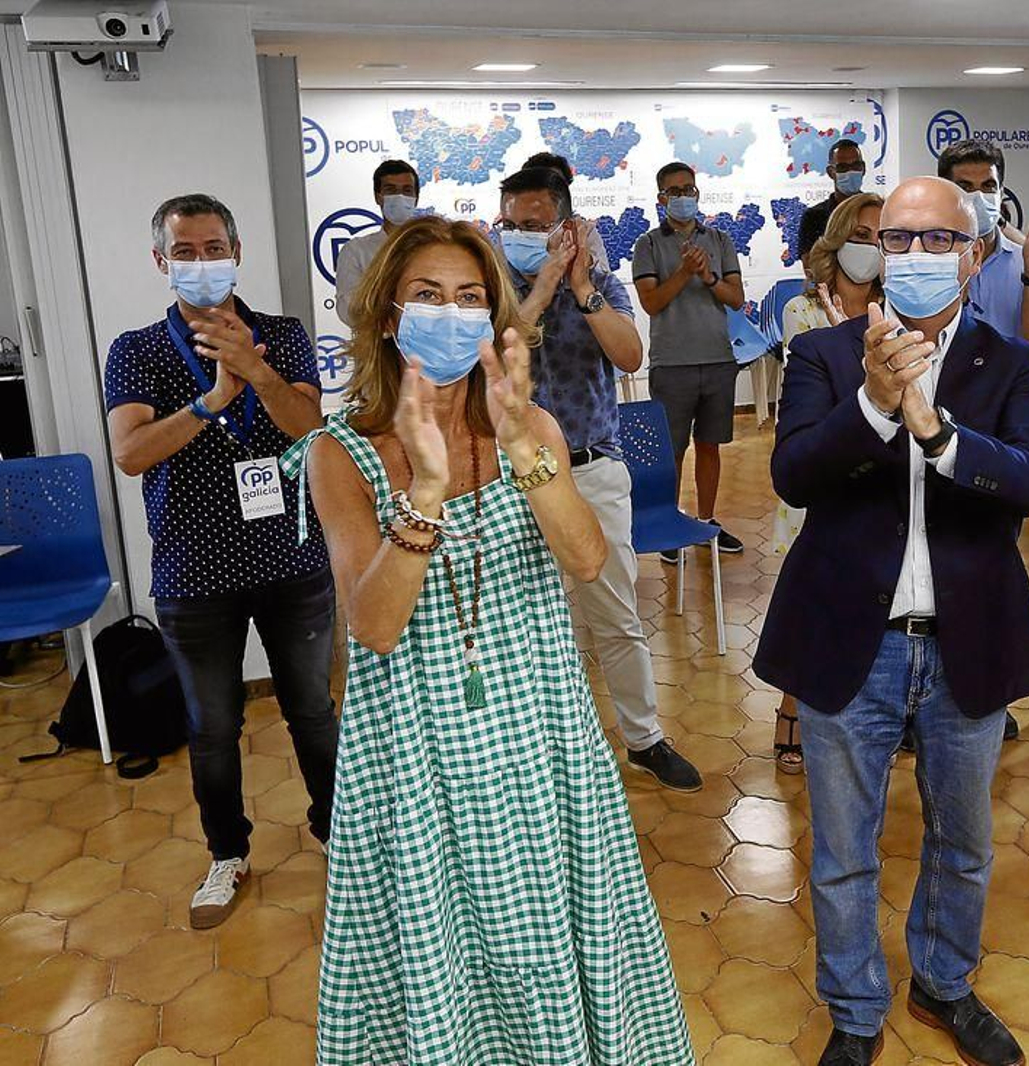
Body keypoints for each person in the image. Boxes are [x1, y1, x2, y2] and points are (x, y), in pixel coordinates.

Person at [287, 215, 694, 1064]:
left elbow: (586, 561)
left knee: (551, 941)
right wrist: (425, 492)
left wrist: (522, 448)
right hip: (419, 748)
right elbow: (373, 625)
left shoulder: (531, 429)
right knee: (446, 959)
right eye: (428, 296)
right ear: (390, 318)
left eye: (470, 298)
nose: (452, 313)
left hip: (539, 731)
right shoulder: (339, 452)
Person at [754, 176, 1029, 1066]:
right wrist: (877, 406)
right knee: (843, 850)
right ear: (871, 251)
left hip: (969, 640)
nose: (915, 257)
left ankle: (944, 983)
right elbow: (794, 476)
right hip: (853, 638)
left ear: (976, 254)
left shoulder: (1012, 364)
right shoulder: (827, 353)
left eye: (937, 241)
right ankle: (854, 1010)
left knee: (962, 842)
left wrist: (937, 431)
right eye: (897, 240)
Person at [105, 194, 335, 930]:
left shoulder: (282, 335)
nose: (202, 262)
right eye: (186, 251)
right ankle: (226, 853)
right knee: (211, 726)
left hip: (291, 558)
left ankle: (338, 833)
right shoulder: (136, 350)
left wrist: (256, 376)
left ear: (238, 250)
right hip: (192, 571)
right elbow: (131, 453)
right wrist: (210, 402)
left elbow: (311, 433)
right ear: (160, 261)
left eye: (214, 247)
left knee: (312, 710)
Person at [496, 165, 702, 791]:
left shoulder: (600, 281)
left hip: (592, 470)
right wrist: (543, 283)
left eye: (534, 225)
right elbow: (503, 353)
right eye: (511, 225)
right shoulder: (491, 288)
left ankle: (644, 738)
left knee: (614, 614)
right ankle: (540, 752)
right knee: (523, 622)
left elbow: (630, 354)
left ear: (564, 226)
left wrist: (578, 285)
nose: (521, 235)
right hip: (510, 481)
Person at [770, 191, 885, 774]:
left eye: (880, 236)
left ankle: (872, 710)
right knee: (811, 601)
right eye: (860, 235)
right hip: (818, 477)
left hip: (878, 482)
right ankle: (792, 707)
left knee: (867, 600)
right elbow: (819, 404)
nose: (871, 248)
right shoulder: (804, 310)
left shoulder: (897, 312)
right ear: (837, 241)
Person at [631, 161, 746, 556]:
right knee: (673, 449)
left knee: (710, 445)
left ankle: (707, 520)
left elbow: (736, 298)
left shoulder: (719, 239)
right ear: (661, 198)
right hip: (671, 363)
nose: (684, 197)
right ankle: (670, 521)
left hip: (717, 359)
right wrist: (684, 272)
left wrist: (709, 277)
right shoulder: (647, 244)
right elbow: (651, 303)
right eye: (675, 191)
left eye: (689, 189)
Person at [936, 138, 1029, 358]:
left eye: (988, 186)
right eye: (965, 187)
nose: (978, 197)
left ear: (1001, 193)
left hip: (1013, 389)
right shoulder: (930, 262)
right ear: (945, 192)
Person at [335, 159, 421, 326]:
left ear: (416, 198)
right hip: (377, 346)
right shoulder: (356, 251)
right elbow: (348, 310)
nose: (400, 197)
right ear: (378, 196)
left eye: (407, 190)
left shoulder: (434, 249)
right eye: (391, 190)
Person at [515, 151, 610, 265]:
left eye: (556, 186)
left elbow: (606, 279)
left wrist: (583, 259)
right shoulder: (511, 235)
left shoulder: (583, 232)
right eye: (539, 186)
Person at [798, 138, 868, 262]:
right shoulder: (814, 217)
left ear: (863, 169)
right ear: (831, 172)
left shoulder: (876, 211)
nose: (850, 171)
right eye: (843, 167)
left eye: (856, 166)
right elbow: (810, 266)